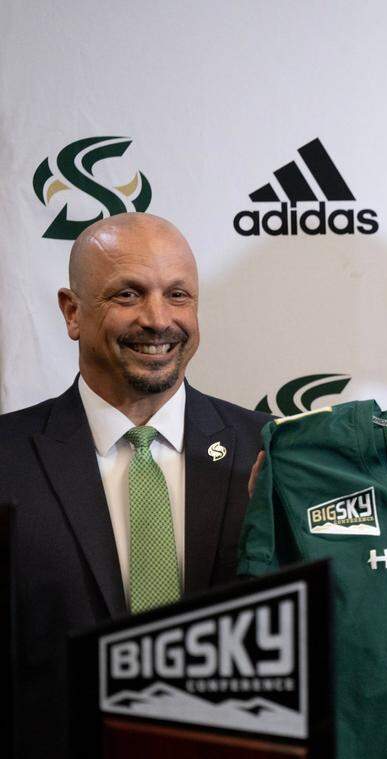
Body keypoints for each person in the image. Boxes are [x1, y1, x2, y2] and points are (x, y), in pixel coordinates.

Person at [0, 213, 269, 757]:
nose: (157, 319)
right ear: (72, 312)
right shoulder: (7, 456)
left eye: (178, 296)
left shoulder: (272, 452)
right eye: (128, 294)